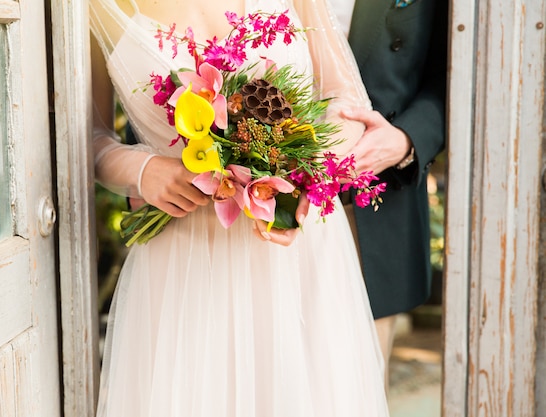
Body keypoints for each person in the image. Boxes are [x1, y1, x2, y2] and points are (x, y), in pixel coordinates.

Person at [89, 0, 389, 415]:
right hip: (183, 261)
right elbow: (87, 136)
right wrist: (142, 170)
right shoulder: (94, 7)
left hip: (295, 251)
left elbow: (346, 101)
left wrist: (306, 174)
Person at [328, 0, 449, 384]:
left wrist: (405, 139)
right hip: (253, 203)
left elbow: (456, 71)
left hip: (373, 207)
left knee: (353, 389)